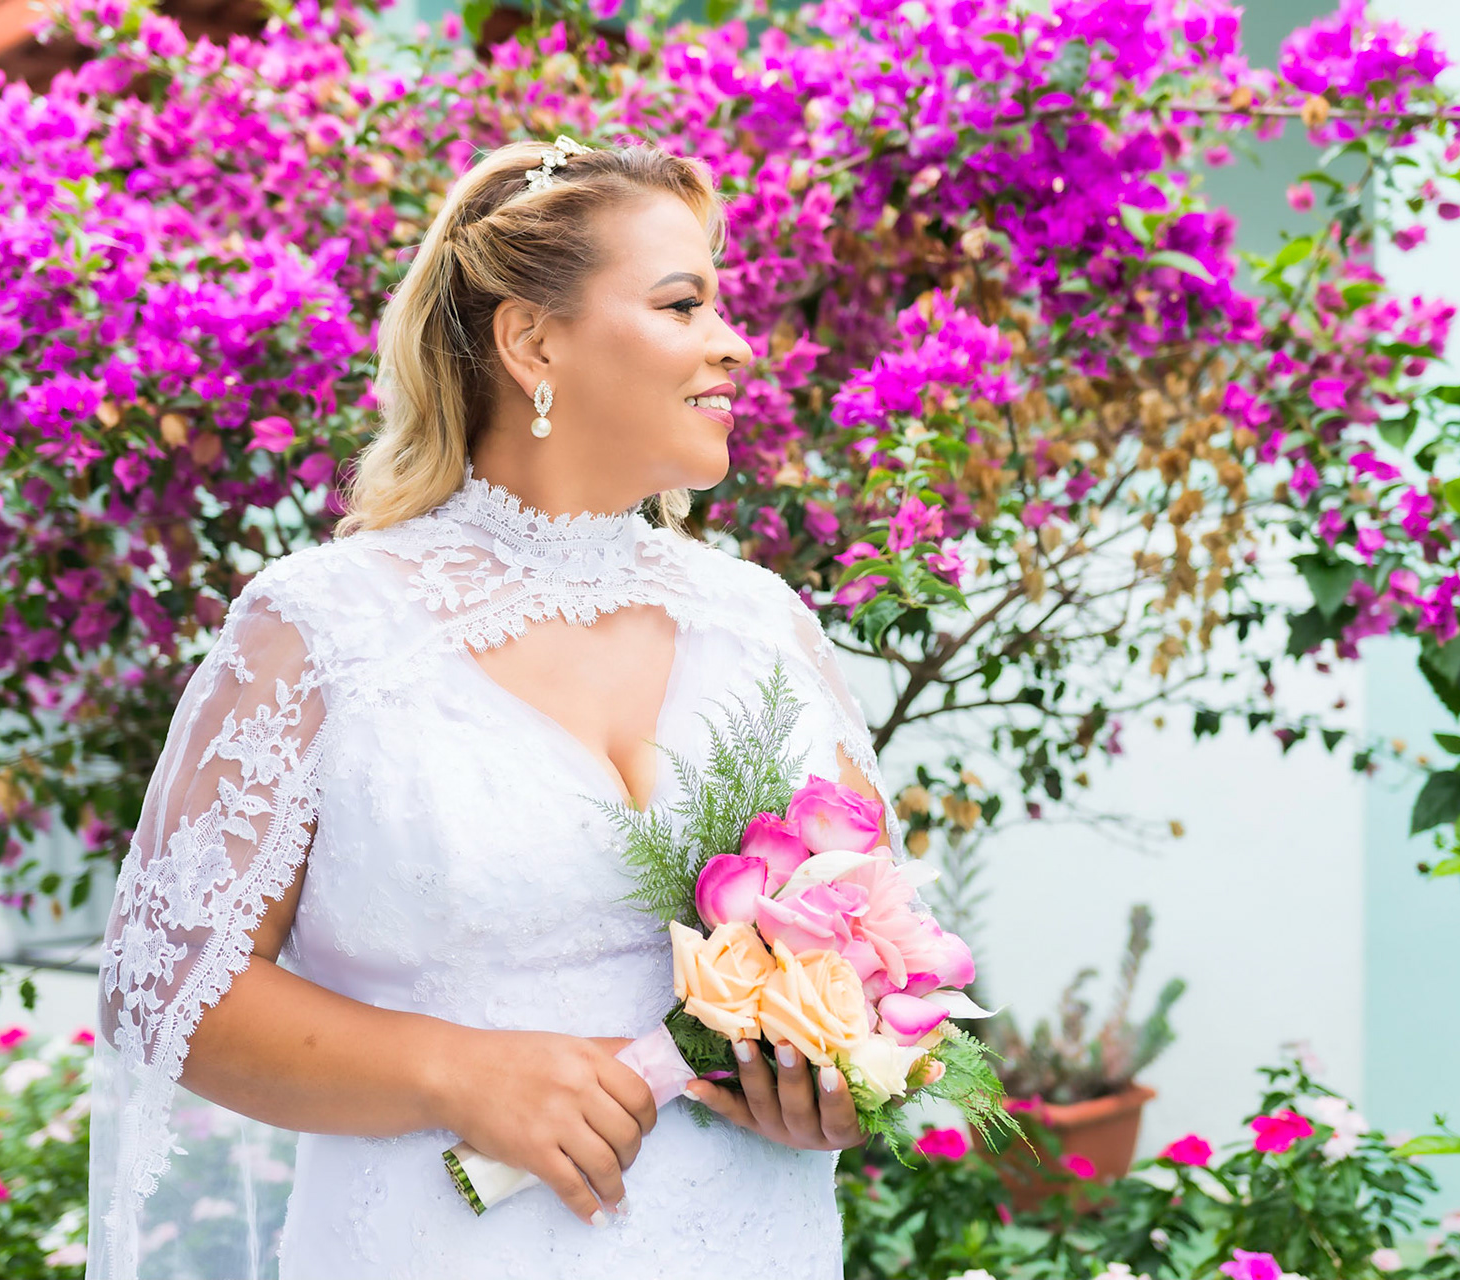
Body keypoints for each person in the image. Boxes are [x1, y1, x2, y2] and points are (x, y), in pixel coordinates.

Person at [85, 134, 928, 1279]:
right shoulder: (327, 624)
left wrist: (838, 1083)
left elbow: (878, 949)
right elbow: (166, 983)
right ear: (533, 339)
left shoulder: (760, 621)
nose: (734, 344)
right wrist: (454, 1069)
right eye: (683, 304)